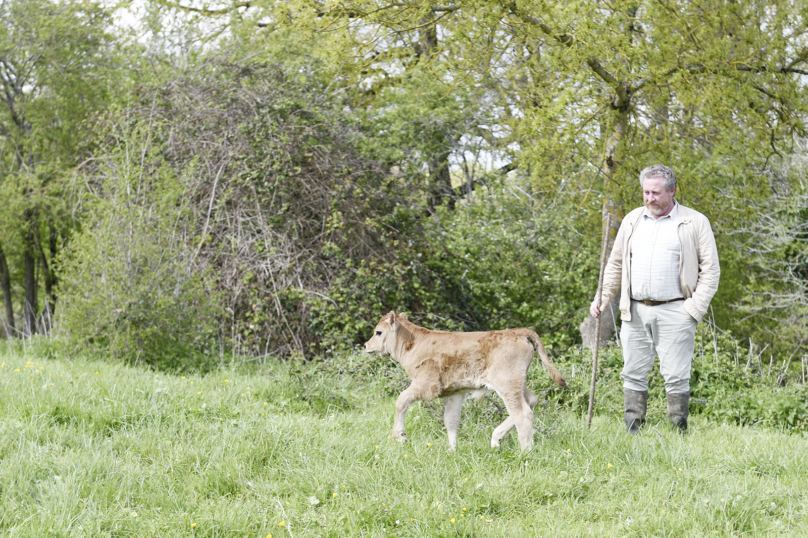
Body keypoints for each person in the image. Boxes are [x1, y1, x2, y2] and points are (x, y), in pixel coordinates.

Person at [590, 164, 720, 433]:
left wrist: (693, 309)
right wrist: (603, 297)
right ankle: (633, 430)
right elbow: (615, 264)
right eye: (646, 192)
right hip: (635, 311)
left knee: (675, 375)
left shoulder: (694, 222)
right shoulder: (632, 220)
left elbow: (711, 270)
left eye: (656, 193)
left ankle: (678, 430)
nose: (649, 198)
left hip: (676, 310)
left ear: (672, 191)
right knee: (633, 371)